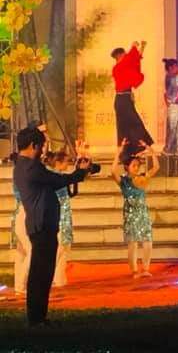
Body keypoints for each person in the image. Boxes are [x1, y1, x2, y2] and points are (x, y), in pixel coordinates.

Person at [13, 126, 91, 326]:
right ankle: (37, 318)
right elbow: (58, 180)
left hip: (40, 224)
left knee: (42, 272)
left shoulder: (22, 165)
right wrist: (80, 173)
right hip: (42, 225)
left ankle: (38, 317)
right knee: (41, 273)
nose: (43, 150)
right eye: (41, 146)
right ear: (33, 145)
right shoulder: (31, 167)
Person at [111, 138, 160, 278]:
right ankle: (134, 270)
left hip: (143, 213)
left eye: (138, 165)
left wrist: (150, 150)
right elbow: (113, 170)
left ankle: (145, 268)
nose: (137, 168)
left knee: (147, 241)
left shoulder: (143, 178)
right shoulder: (124, 181)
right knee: (132, 243)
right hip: (130, 214)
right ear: (127, 167)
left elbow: (156, 167)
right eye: (134, 165)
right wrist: (119, 152)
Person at [111, 42, 154, 157]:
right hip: (122, 100)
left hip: (125, 99)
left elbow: (134, 62)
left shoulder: (124, 66)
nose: (126, 56)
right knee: (131, 124)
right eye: (124, 54)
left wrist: (141, 48)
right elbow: (130, 60)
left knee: (131, 124)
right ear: (119, 56)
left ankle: (133, 150)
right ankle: (128, 150)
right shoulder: (117, 68)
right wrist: (133, 47)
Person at [49, 151, 78, 288]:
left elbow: (72, 193)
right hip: (58, 214)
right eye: (66, 161)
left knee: (65, 246)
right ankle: (50, 277)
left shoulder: (61, 177)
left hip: (65, 214)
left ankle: (59, 277)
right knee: (59, 247)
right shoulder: (52, 177)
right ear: (58, 163)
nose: (68, 164)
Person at [10, 177, 30, 295]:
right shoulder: (26, 176)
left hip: (19, 212)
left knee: (21, 252)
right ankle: (21, 284)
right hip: (24, 213)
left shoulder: (18, 176)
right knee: (31, 251)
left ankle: (19, 286)